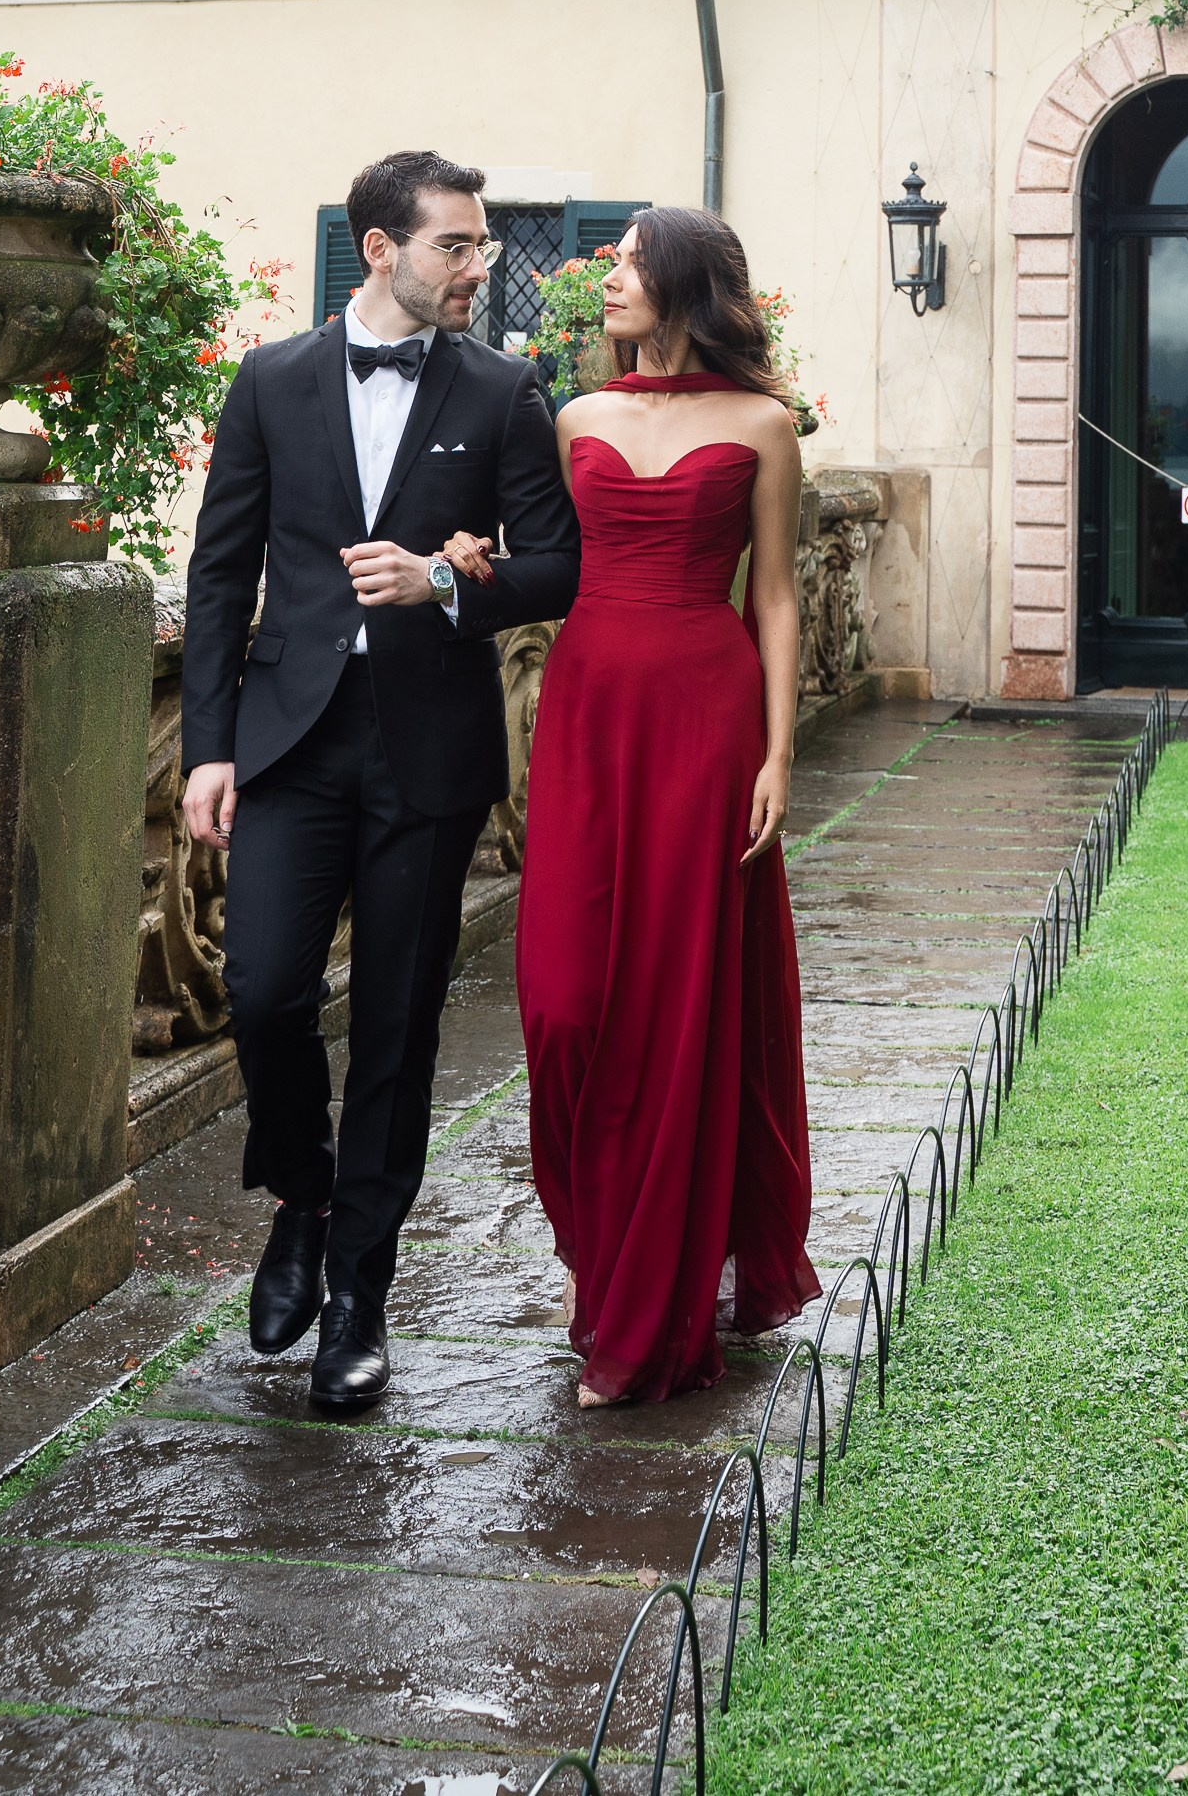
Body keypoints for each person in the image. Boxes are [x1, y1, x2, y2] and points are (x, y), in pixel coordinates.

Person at [180, 148, 579, 1415]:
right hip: (289, 740)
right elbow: (216, 574)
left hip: (429, 749)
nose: (478, 266)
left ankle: (360, 1293)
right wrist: (207, 743)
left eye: (479, 245)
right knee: (262, 992)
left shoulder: (507, 388)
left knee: (399, 1034)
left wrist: (449, 583)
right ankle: (299, 1192)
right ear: (379, 249)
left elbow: (559, 566)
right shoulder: (272, 380)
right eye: (456, 245)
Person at [501, 204, 815, 1406]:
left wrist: (778, 754)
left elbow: (776, 595)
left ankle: (642, 1310)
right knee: (567, 1007)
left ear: (684, 285)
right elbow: (548, 562)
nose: (606, 279)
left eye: (627, 263)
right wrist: (471, 563)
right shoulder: (571, 414)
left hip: (705, 720)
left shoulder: (764, 426)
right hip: (586, 718)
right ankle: (598, 1248)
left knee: (676, 1009)